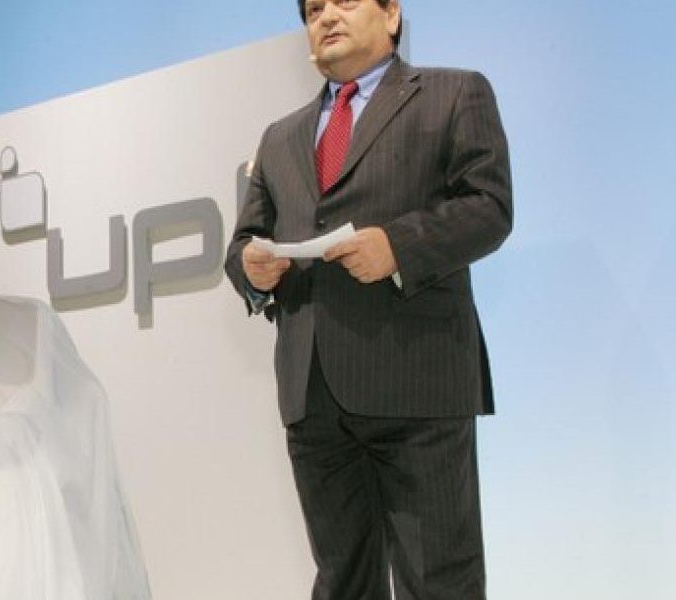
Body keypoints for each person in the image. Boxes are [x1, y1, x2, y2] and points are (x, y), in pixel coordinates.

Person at [223, 1, 512, 598]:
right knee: (342, 585)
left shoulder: (455, 93)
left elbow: (489, 208)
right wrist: (251, 268)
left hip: (419, 385)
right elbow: (244, 242)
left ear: (392, 14)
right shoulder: (279, 138)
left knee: (440, 584)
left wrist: (398, 247)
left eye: (346, 2)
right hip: (314, 396)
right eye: (313, 10)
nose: (327, 16)